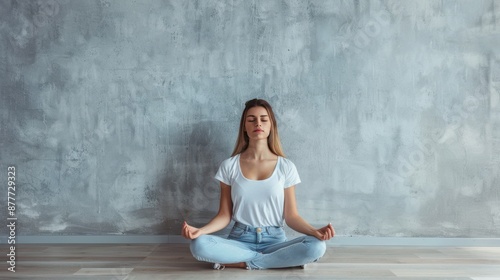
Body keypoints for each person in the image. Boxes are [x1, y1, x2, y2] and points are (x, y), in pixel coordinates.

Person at [181, 98, 335, 270]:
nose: (258, 124)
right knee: (199, 245)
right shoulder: (229, 166)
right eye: (251, 119)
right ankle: (274, 261)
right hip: (240, 241)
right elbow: (225, 215)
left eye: (264, 119)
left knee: (317, 246)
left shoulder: (286, 167)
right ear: (244, 127)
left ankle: (243, 263)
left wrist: (314, 232)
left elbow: (291, 216)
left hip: (275, 241)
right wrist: (201, 231)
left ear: (271, 126)